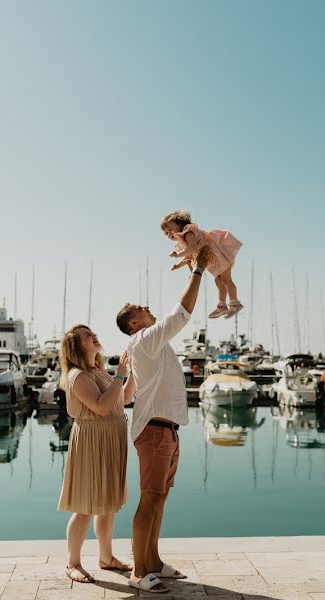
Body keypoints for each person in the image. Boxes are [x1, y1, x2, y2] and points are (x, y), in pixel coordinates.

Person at [115, 246, 210, 594]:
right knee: (150, 498)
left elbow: (131, 391)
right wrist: (198, 270)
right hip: (155, 431)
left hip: (165, 429)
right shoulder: (144, 339)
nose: (148, 308)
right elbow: (181, 313)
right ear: (134, 323)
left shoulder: (147, 345)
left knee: (160, 498)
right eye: (142, 308)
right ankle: (139, 572)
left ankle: (153, 561)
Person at [56, 325, 135, 584]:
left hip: (110, 440)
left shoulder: (98, 371)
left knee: (108, 502)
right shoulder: (77, 376)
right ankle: (72, 562)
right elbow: (101, 407)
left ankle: (106, 558)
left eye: (92, 332)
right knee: (85, 506)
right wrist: (120, 376)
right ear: (76, 345)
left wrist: (131, 373)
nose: (93, 335)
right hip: (92, 441)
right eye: (86, 335)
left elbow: (122, 400)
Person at [160, 210, 243, 319]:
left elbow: (192, 248)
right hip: (213, 259)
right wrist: (178, 265)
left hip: (219, 255)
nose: (169, 234)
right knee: (219, 281)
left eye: (170, 229)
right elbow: (189, 256)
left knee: (226, 279)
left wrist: (177, 255)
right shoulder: (181, 242)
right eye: (166, 233)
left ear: (181, 226)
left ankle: (235, 304)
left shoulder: (188, 233)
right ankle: (222, 305)